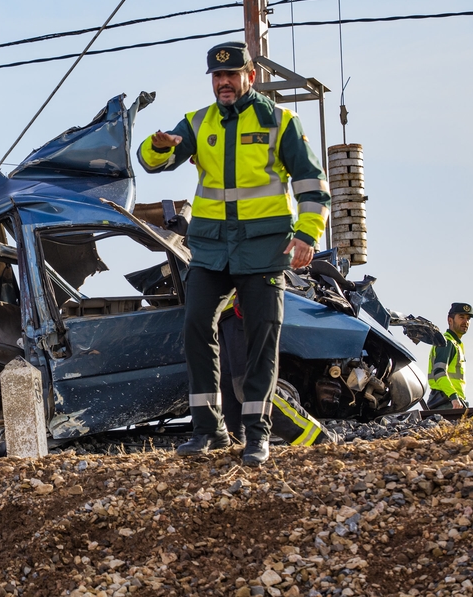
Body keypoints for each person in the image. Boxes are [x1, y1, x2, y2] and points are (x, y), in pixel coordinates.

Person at [137, 40, 331, 467]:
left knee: (263, 340)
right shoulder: (198, 121)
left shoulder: (280, 121)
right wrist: (160, 144)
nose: (223, 83)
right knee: (195, 327)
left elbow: (312, 185)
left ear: (250, 76)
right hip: (210, 248)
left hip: (264, 249)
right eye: (217, 77)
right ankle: (208, 430)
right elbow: (152, 163)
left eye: (231, 75)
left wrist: (306, 235)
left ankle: (257, 435)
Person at [219, 295, 337, 447]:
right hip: (218, 316)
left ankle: (320, 440)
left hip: (240, 306)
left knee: (251, 387)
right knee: (226, 393)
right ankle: (235, 452)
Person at [427, 302, 473, 410]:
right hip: (446, 401)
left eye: (468, 318)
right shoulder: (447, 343)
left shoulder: (456, 344)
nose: (465, 322)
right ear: (450, 320)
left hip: (451, 401)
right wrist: (454, 397)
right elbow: (439, 372)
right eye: (461, 317)